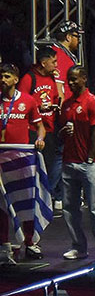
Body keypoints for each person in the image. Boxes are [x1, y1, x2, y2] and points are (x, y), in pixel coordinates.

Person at [60, 65, 95, 260]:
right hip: (68, 161)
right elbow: (61, 132)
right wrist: (62, 133)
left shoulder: (93, 103)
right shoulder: (66, 104)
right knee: (69, 208)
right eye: (69, 79)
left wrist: (90, 159)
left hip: (88, 164)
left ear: (84, 78)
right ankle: (78, 247)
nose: (71, 82)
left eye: (74, 79)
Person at [0, 63, 45, 262]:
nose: (3, 79)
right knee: (2, 204)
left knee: (26, 202)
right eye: (1, 76)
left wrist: (40, 139)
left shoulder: (28, 100)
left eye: (7, 76)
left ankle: (29, 242)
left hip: (22, 161)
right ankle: (4, 244)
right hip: (1, 160)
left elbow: (40, 127)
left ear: (16, 79)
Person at [18, 48, 64, 212]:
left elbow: (55, 97)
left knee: (50, 164)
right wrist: (38, 107)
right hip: (33, 129)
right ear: (44, 63)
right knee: (33, 166)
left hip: (49, 128)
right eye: (53, 62)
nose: (56, 65)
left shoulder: (52, 78)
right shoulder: (29, 78)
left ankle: (46, 197)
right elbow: (21, 103)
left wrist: (55, 106)